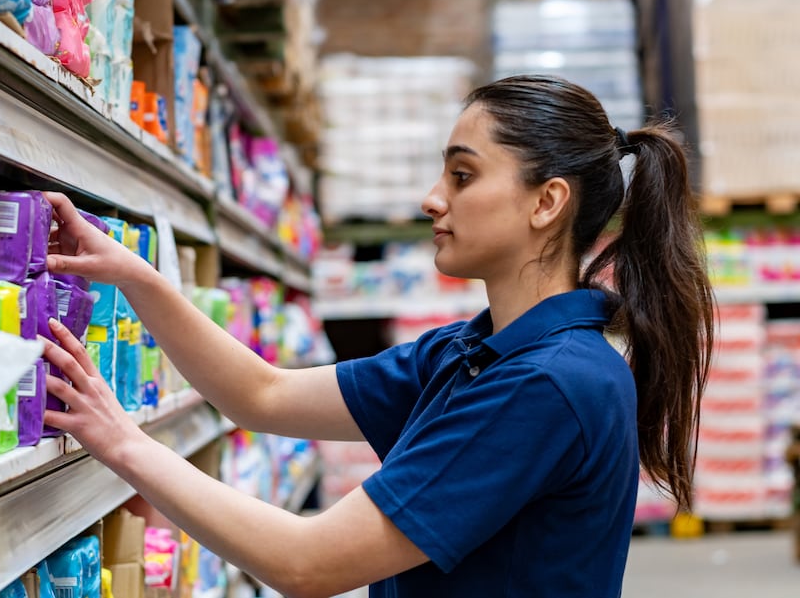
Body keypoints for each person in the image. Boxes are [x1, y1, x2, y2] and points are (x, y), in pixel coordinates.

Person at [39, 74, 713, 598]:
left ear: (547, 202)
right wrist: (133, 274)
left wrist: (124, 442)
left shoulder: (547, 383)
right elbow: (262, 396)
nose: (431, 199)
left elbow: (307, 563)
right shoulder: (468, 353)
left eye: (463, 175)